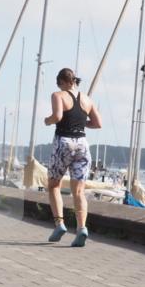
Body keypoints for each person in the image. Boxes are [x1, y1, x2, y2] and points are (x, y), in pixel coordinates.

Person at [43, 68, 102, 246]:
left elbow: (58, 116)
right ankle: (82, 228)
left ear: (62, 81)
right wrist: (81, 123)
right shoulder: (87, 99)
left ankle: (59, 224)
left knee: (54, 184)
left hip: (64, 141)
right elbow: (97, 124)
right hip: (83, 144)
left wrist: (48, 120)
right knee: (78, 191)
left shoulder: (58, 95)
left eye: (58, 83)